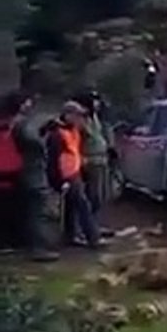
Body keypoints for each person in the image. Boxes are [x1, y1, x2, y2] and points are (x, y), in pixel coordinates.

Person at [53, 102, 103, 249]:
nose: (80, 119)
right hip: (66, 175)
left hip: (74, 172)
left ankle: (69, 236)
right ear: (67, 115)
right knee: (83, 205)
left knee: (71, 207)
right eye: (77, 115)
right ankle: (93, 238)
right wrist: (59, 180)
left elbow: (75, 151)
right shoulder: (58, 134)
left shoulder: (73, 130)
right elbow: (53, 159)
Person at [14, 95, 58, 261]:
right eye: (26, 101)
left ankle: (32, 245)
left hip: (24, 171)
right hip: (32, 172)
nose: (30, 104)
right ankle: (38, 248)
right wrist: (44, 136)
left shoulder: (17, 123)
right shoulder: (20, 123)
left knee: (31, 211)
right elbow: (34, 144)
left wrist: (43, 130)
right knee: (36, 212)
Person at [73, 90, 112, 235]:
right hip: (89, 161)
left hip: (101, 160)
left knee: (100, 196)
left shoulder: (95, 117)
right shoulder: (80, 120)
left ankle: (95, 226)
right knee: (91, 197)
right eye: (94, 100)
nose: (97, 103)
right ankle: (85, 229)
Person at [0, 93, 27, 253]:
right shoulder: (11, 127)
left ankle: (7, 240)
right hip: (8, 170)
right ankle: (4, 241)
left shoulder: (11, 127)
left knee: (6, 208)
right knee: (5, 209)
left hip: (8, 170)